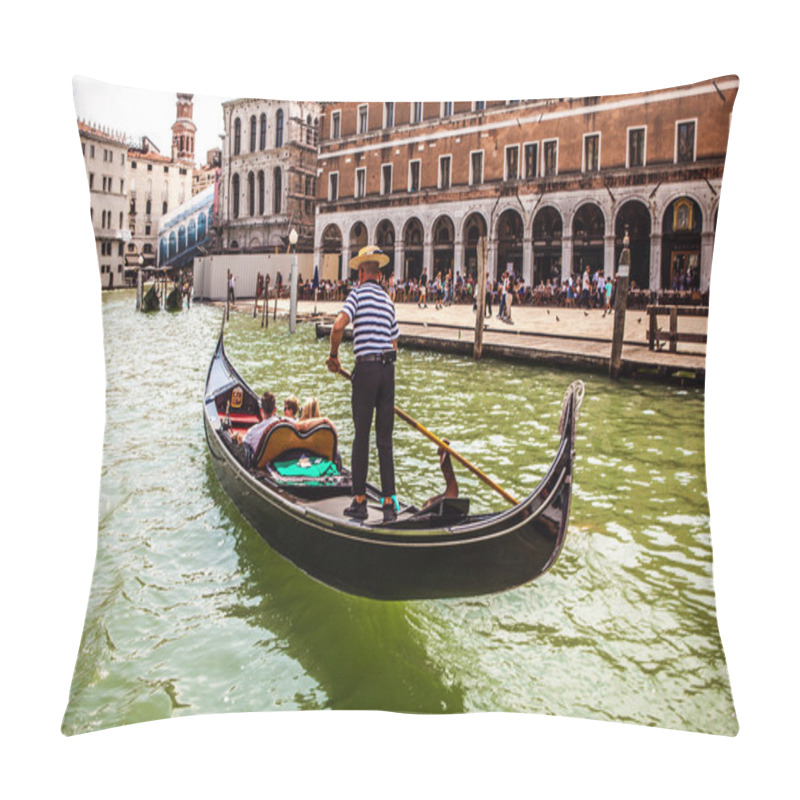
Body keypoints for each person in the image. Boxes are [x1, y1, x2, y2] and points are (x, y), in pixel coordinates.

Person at [326, 245, 399, 523]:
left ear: (361, 275)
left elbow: (337, 326)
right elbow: (394, 343)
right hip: (388, 370)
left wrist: (334, 357)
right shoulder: (388, 300)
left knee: (361, 436)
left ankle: (359, 502)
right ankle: (390, 502)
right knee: (385, 440)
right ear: (378, 275)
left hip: (366, 370)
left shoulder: (356, 294)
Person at [241, 391, 279, 465]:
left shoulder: (252, 432)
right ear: (275, 410)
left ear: (261, 410)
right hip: (277, 461)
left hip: (260, 464)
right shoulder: (282, 424)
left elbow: (243, 442)